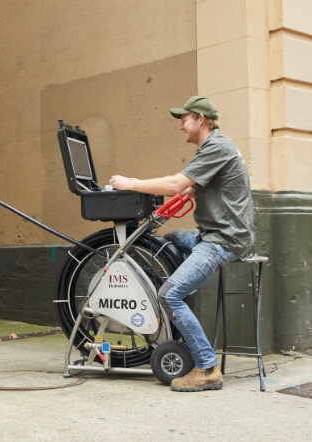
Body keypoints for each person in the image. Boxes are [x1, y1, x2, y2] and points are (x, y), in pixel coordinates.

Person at [109, 96, 255, 392]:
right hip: (214, 233)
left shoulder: (217, 147)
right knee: (172, 239)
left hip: (222, 240)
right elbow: (188, 187)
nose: (181, 126)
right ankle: (182, 316)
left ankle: (207, 367)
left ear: (201, 119)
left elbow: (177, 184)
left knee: (169, 294)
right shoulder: (213, 148)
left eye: (184, 119)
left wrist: (131, 183)